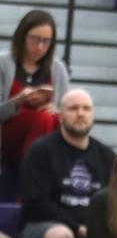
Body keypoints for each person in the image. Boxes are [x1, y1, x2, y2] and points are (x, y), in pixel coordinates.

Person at [20, 89, 115, 238]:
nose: (80, 113)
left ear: (93, 114)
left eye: (86, 108)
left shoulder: (106, 155)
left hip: (90, 229)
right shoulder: (41, 151)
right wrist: (76, 227)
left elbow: (115, 202)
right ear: (60, 114)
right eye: (73, 108)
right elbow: (36, 205)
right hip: (41, 226)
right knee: (62, 237)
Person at [1, 10, 69, 173]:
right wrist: (18, 101)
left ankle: (33, 172)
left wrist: (57, 112)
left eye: (46, 41)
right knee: (40, 118)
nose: (39, 47)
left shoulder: (58, 69)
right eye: (34, 39)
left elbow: (68, 113)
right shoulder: (3, 64)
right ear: (22, 36)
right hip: (8, 138)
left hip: (46, 135)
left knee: (47, 118)